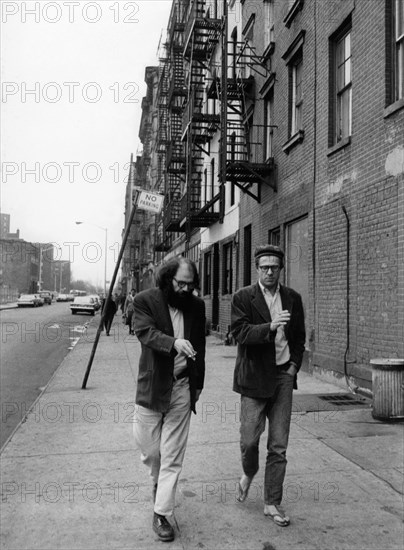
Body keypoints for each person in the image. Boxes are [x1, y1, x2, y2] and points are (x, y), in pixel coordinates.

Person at [231, 244, 305, 527]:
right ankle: (249, 472)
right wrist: (271, 327)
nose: (270, 271)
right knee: (249, 440)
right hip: (253, 378)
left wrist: (294, 365)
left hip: (283, 377)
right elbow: (240, 333)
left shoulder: (293, 298)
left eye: (274, 266)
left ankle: (272, 502)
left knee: (279, 445)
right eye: (265, 267)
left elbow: (298, 337)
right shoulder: (243, 298)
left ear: (281, 269)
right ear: (257, 269)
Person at [132, 257, 206, 542]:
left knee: (172, 455)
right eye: (181, 284)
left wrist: (197, 385)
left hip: (182, 388)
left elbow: (199, 347)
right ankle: (157, 482)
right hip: (152, 388)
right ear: (168, 280)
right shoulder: (145, 301)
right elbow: (145, 333)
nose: (187, 290)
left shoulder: (197, 307)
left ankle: (161, 513)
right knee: (151, 452)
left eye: (191, 284)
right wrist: (173, 343)